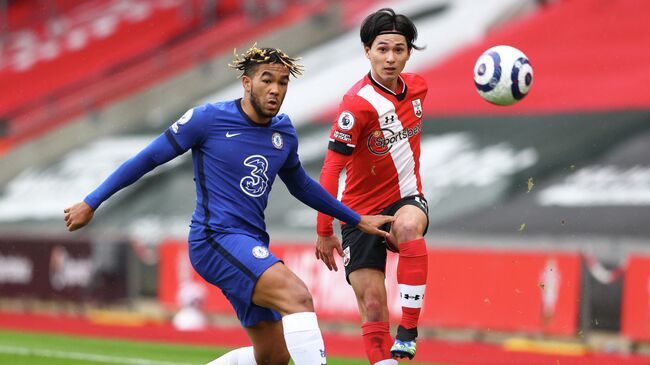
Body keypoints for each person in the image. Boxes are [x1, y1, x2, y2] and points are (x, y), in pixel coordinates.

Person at [64, 45, 395, 365]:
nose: (275, 89)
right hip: (214, 239)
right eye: (267, 79)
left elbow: (301, 186)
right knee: (298, 297)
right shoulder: (207, 120)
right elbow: (148, 158)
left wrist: (355, 219)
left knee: (273, 356)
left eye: (282, 82)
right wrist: (92, 202)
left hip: (249, 242)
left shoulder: (283, 131)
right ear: (247, 82)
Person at [315, 8, 429, 363]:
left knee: (409, 225)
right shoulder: (356, 105)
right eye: (382, 49)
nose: (390, 58)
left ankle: (408, 330)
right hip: (358, 212)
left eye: (398, 49)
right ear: (367, 51)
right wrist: (324, 228)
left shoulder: (419, 88)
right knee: (375, 306)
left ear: (409, 52)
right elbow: (331, 169)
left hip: (406, 198)